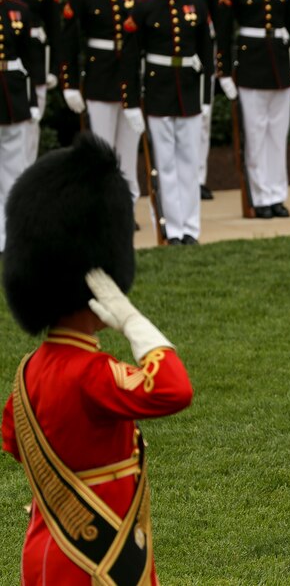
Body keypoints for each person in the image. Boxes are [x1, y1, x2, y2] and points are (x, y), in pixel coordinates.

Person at [1, 133, 193, 584]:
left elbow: (13, 441)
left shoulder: (27, 372)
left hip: (45, 547)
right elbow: (173, 387)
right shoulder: (92, 374)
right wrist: (132, 321)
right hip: (98, 562)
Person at [123, 0, 214, 246]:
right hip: (158, 91)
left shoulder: (195, 3)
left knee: (189, 163)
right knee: (164, 164)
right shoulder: (143, 6)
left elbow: (206, 53)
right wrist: (132, 103)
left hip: (188, 91)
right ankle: (170, 229)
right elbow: (131, 58)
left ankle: (191, 227)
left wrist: (205, 96)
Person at [215, 0, 290, 218]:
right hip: (251, 66)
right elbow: (223, 31)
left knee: (278, 134)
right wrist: (222, 71)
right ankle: (260, 197)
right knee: (256, 133)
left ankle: (277, 195)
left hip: (279, 64)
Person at [59, 0, 144, 206]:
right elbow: (70, 42)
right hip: (99, 75)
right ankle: (104, 206)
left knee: (129, 148)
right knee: (102, 147)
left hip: (129, 75)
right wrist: (69, 83)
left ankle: (127, 204)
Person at [158, 0, 219, 201]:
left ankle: (199, 176)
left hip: (202, 47)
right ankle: (180, 181)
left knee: (202, 117)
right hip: (175, 52)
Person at [0, 0, 59, 165]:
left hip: (28, 64)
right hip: (14, 64)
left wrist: (55, 69)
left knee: (27, 131)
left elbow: (55, 28)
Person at [0, 0, 46, 253]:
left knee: (14, 170)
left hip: (12, 92)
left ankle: (10, 236)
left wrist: (33, 98)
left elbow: (31, 58)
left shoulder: (18, 9)